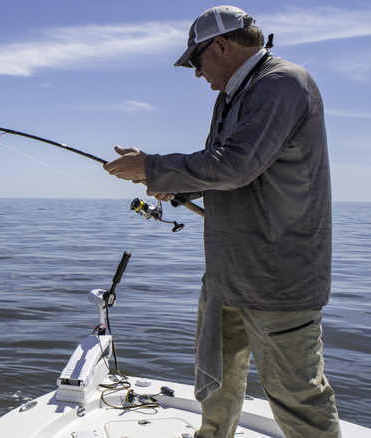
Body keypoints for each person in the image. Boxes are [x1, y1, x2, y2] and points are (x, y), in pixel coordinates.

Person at [103, 5, 341, 438]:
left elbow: (237, 165)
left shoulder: (283, 83)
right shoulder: (230, 96)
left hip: (277, 280)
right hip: (227, 273)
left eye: (196, 60)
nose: (196, 73)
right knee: (216, 383)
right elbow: (221, 169)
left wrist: (153, 168)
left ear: (221, 45)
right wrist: (179, 187)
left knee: (296, 398)